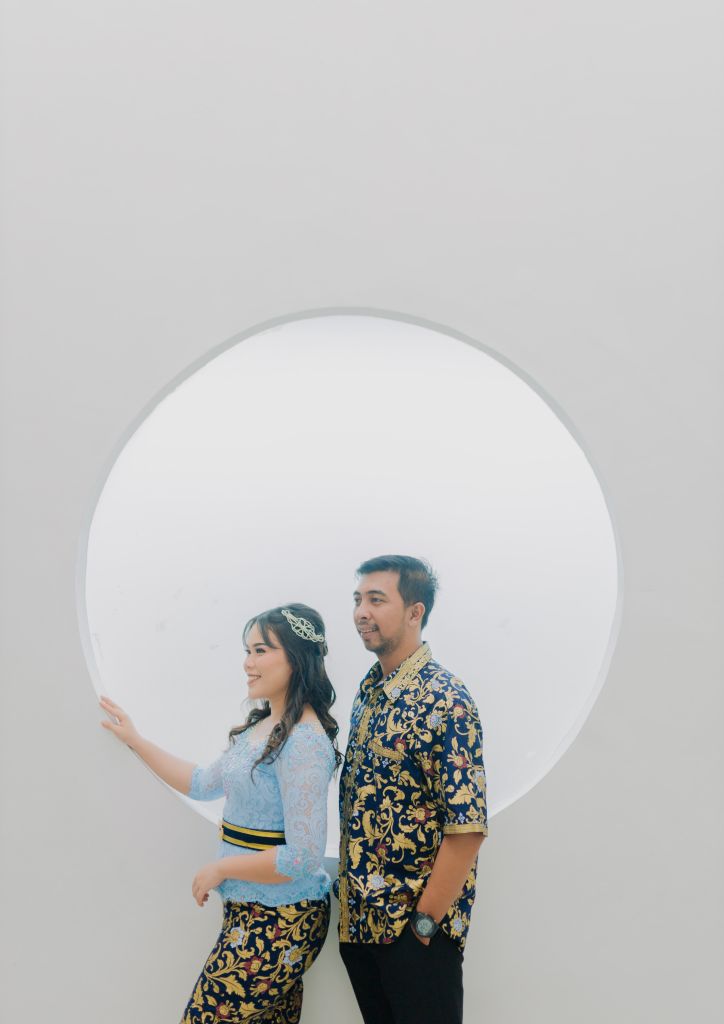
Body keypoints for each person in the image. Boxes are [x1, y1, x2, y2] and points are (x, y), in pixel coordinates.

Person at [100, 603, 340, 1024]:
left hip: (282, 920)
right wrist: (136, 740)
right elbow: (200, 782)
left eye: (261, 650)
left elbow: (302, 857)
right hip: (250, 913)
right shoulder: (263, 726)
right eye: (247, 651)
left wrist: (221, 868)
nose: (248, 663)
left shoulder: (304, 741)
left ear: (297, 658)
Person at [337, 555, 488, 1024]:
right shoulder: (369, 691)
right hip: (361, 929)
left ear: (414, 612)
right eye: (358, 600)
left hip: (415, 936)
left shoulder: (447, 699)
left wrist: (423, 927)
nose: (361, 612)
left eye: (376, 600)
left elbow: (467, 828)